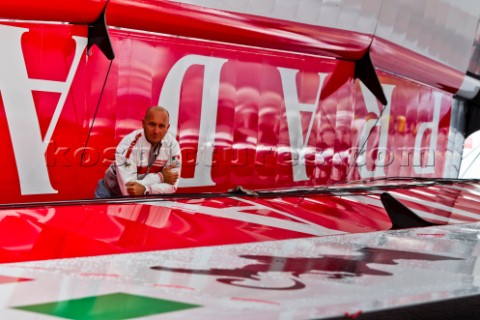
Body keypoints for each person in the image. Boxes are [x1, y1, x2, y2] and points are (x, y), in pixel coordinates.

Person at [95, 106, 181, 198]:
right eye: (152, 124)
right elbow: (128, 191)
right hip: (110, 193)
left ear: (167, 127)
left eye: (161, 126)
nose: (156, 131)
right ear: (143, 123)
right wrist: (161, 177)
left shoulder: (173, 145)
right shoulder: (128, 144)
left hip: (145, 194)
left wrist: (145, 190)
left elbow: (172, 187)